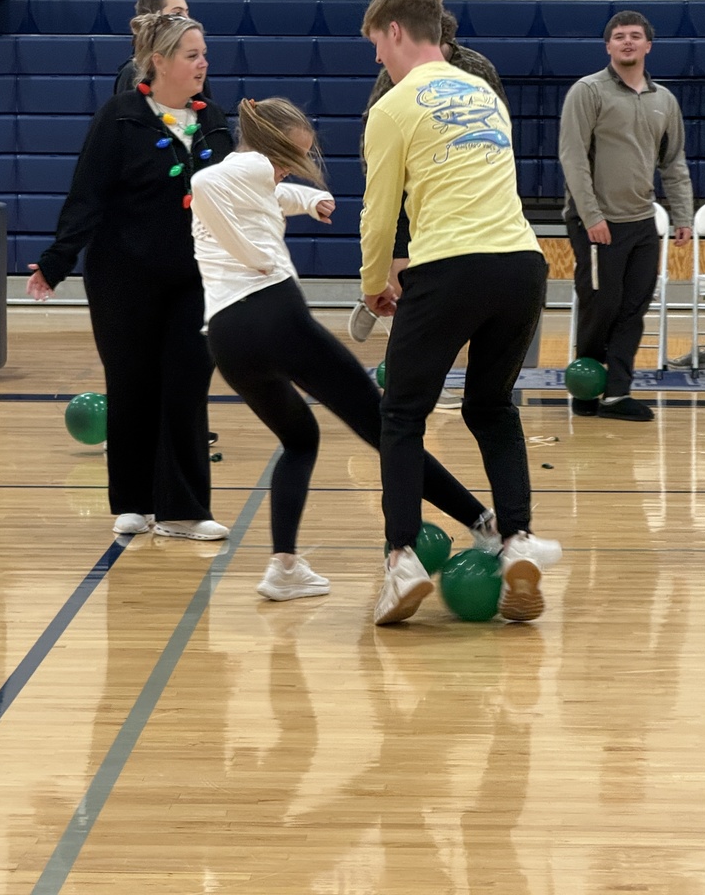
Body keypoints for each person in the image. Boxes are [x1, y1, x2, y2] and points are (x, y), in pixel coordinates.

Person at [190, 96, 500, 604]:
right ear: (266, 143)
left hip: (228, 340)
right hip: (272, 313)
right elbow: (202, 184)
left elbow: (273, 194)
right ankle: (482, 522)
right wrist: (255, 257)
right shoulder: (241, 169)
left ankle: (283, 566)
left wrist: (308, 201)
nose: (288, 168)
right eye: (287, 155)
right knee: (386, 427)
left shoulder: (251, 178)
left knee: (300, 437)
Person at [359, 0, 562, 626]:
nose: (377, 63)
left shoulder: (392, 107)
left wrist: (373, 284)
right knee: (491, 406)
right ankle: (519, 540)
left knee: (401, 415)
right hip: (525, 266)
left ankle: (401, 561)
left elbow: (379, 210)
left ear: (396, 31)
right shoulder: (484, 94)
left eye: (376, 47)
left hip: (450, 266)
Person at [27, 13, 233, 540]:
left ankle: (184, 511)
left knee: (186, 386)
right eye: (191, 55)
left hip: (196, 281)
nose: (203, 63)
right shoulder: (120, 117)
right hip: (124, 279)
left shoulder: (214, 121)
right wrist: (56, 262)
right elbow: (86, 196)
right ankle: (134, 503)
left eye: (204, 54)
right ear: (158, 62)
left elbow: (239, 197)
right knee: (132, 386)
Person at [348, 10, 509, 411]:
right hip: (408, 187)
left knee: (456, 292)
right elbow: (376, 130)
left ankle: (432, 376)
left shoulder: (477, 69)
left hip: (460, 195)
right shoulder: (394, 76)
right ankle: (409, 368)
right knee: (408, 281)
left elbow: (497, 123)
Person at [559, 10, 694, 420]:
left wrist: (682, 215)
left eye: (636, 36)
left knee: (633, 308)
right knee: (601, 304)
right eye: (619, 37)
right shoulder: (588, 91)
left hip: (641, 223)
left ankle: (617, 394)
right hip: (597, 222)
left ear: (648, 45)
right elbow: (573, 158)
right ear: (609, 46)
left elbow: (673, 162)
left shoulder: (664, 100)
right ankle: (586, 386)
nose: (628, 42)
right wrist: (592, 215)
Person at [114, 0, 217, 444]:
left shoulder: (203, 97)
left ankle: (187, 436)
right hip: (145, 251)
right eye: (176, 13)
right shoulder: (129, 94)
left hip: (192, 251)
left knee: (190, 354)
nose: (186, 18)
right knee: (144, 361)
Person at [113, 0, 213, 101]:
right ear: (154, 18)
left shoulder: (195, 68)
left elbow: (206, 112)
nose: (187, 19)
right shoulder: (132, 72)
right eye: (177, 13)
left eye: (187, 12)